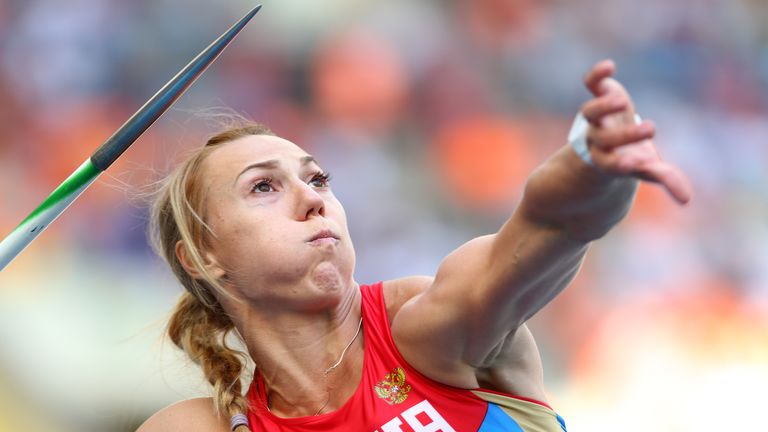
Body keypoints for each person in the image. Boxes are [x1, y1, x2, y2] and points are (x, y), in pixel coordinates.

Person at [137, 60, 692, 432]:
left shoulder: (422, 328)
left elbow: (547, 231)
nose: (313, 199)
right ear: (203, 257)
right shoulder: (207, 424)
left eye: (318, 179)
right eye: (264, 186)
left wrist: (594, 167)